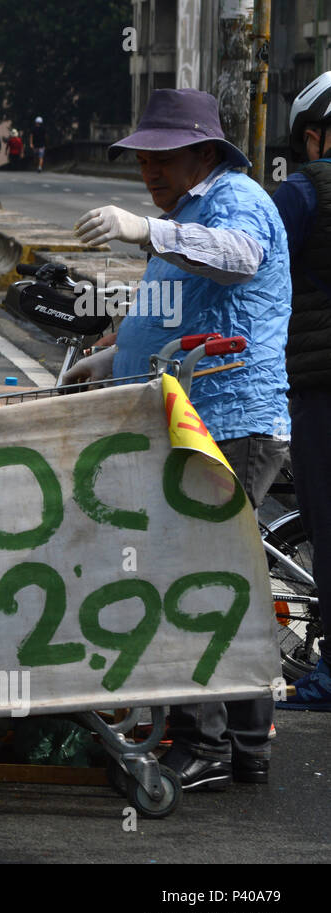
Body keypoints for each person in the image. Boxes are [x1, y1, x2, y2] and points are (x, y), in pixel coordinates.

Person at [64, 88, 291, 789]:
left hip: (228, 421)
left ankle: (207, 740)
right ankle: (246, 743)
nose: (148, 174)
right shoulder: (184, 213)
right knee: (227, 580)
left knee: (194, 578)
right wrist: (116, 358)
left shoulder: (235, 202)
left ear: (203, 154)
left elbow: (239, 258)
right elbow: (169, 312)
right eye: (141, 161)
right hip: (186, 418)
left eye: (162, 159)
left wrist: (145, 232)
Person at [271, 71, 331, 711]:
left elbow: (252, 273)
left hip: (321, 386)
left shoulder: (305, 190)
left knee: (327, 523)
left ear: (316, 136)